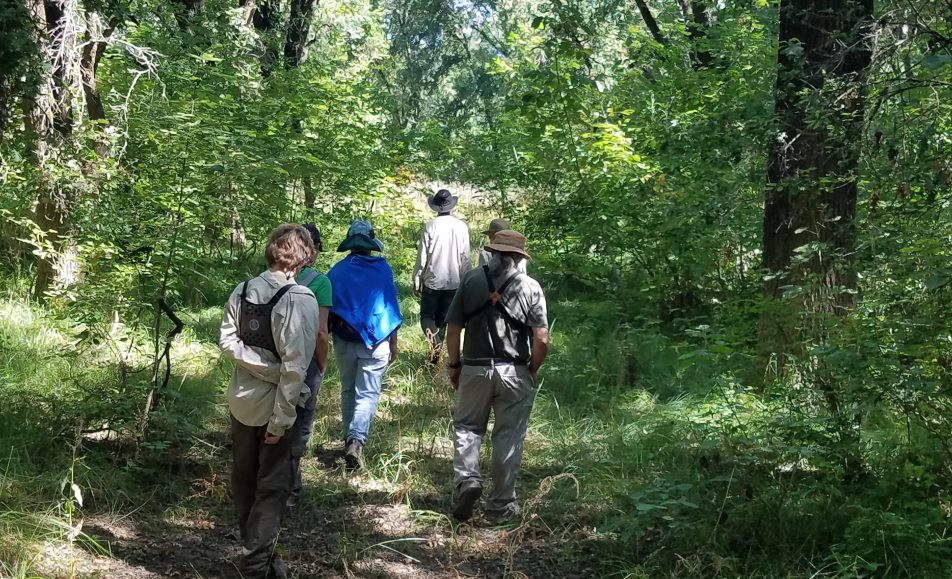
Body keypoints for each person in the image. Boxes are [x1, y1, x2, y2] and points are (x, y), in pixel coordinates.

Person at [219, 224, 318, 578]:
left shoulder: (243, 290)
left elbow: (228, 343)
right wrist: (280, 420)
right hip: (278, 407)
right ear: (304, 256)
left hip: (241, 402)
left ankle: (262, 557)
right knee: (273, 488)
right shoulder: (300, 298)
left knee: (244, 481)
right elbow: (294, 369)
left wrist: (262, 369)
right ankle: (255, 564)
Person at [444, 229, 550, 523]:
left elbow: (453, 329)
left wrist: (454, 366)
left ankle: (468, 480)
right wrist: (531, 370)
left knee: (467, 427)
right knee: (509, 435)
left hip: (475, 368)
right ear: (518, 258)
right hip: (514, 370)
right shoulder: (531, 287)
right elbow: (541, 338)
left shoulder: (471, 280)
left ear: (491, 253)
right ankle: (501, 506)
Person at [327, 220, 402, 469]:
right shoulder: (383, 269)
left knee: (348, 389)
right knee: (367, 392)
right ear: (372, 243)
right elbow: (390, 305)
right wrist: (393, 341)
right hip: (377, 340)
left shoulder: (337, 271)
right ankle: (356, 440)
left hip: (344, 339)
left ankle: (349, 439)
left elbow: (328, 307)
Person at [288, 223, 333, 506]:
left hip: (271, 362)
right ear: (312, 249)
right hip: (305, 364)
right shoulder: (321, 283)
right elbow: (321, 333)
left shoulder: (266, 278)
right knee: (301, 421)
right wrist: (323, 363)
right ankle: (291, 487)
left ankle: (267, 484)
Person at [412, 189, 471, 362]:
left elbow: (422, 255)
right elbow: (465, 257)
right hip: (454, 281)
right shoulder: (461, 226)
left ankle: (434, 347)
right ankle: (434, 355)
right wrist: (466, 282)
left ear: (436, 207)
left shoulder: (430, 225)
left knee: (427, 316)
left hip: (432, 279)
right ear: (451, 206)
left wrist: (417, 279)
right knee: (444, 319)